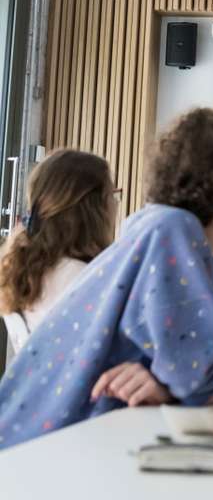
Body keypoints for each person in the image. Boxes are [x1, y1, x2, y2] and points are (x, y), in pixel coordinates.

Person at [0, 108, 213, 449]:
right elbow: (206, 381)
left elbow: (209, 358)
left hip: (48, 436)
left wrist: (180, 379)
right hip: (58, 445)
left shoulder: (150, 224)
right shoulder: (174, 233)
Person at [0, 150, 117, 365]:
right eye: (112, 194)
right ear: (93, 208)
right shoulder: (85, 279)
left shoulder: (21, 268)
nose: (116, 205)